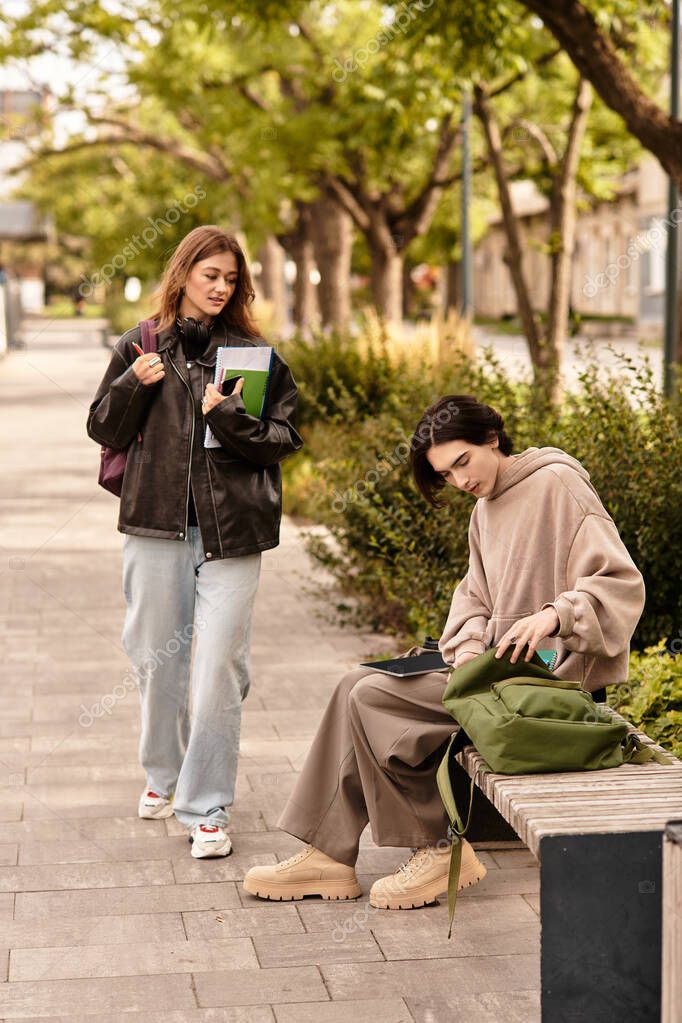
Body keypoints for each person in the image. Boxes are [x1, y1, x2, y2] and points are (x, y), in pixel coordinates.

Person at [243, 394, 645, 908]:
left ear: (492, 439)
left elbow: (622, 583)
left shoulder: (556, 483)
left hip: (548, 684)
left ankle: (437, 851)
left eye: (463, 462)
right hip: (495, 676)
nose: (461, 481)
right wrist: (472, 644)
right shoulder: (484, 511)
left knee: (372, 700)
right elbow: (473, 596)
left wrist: (557, 614)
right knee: (354, 684)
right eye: (446, 474)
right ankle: (328, 855)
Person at [87, 225, 302, 858]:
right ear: (182, 275)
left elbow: (285, 440)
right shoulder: (139, 344)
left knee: (217, 668)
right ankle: (161, 773)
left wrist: (227, 415)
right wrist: (134, 383)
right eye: (210, 275)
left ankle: (207, 807)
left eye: (231, 279)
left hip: (232, 533)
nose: (221, 288)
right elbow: (101, 426)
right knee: (157, 661)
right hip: (154, 525)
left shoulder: (253, 355)